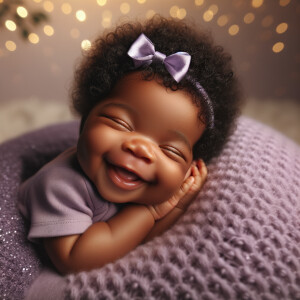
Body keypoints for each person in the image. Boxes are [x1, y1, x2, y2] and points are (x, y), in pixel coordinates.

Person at [18, 16, 241, 275]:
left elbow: (137, 241)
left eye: (170, 150)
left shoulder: (150, 193)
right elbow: (75, 260)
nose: (140, 148)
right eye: (119, 123)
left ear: (189, 166)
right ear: (86, 119)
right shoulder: (60, 185)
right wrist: (151, 210)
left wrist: (178, 206)